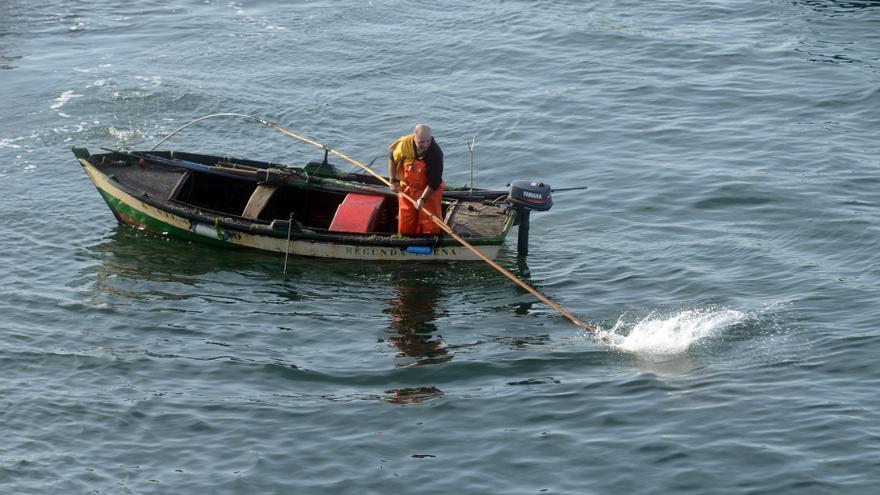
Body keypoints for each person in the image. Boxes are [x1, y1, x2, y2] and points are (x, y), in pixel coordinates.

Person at [387, 124, 444, 235]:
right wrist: (393, 181)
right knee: (406, 219)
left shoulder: (436, 153)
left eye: (428, 141)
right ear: (414, 138)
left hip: (429, 191)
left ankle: (429, 241)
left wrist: (422, 199)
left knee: (430, 221)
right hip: (408, 188)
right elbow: (392, 158)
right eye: (422, 142)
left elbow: (434, 181)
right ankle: (406, 239)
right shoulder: (405, 144)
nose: (426, 145)